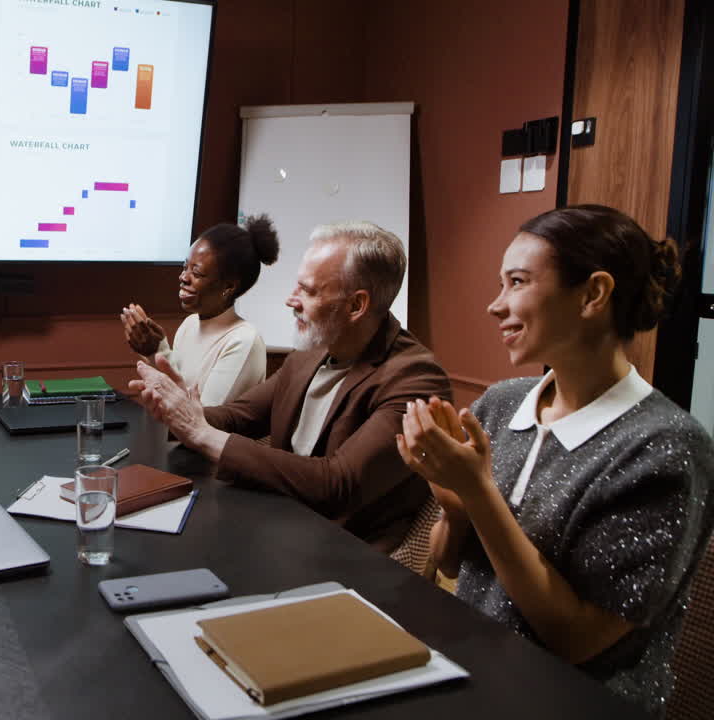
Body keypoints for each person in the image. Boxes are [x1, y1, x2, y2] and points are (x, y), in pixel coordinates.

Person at [397, 205, 713, 716]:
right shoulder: (502, 404)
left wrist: (478, 492)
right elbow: (453, 563)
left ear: (593, 294)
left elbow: (576, 642)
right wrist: (455, 505)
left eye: (517, 282)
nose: (495, 306)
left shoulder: (666, 449)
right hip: (470, 673)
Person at [134, 221, 450, 551]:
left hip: (345, 554)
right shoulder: (312, 351)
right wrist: (178, 412)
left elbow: (337, 484)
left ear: (357, 305)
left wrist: (201, 432)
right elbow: (239, 417)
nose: (291, 300)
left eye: (308, 290)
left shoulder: (415, 379)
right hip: (277, 526)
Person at [120, 215, 278, 406]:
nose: (183, 277)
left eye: (196, 273)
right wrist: (156, 351)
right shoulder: (190, 324)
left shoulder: (244, 341)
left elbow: (204, 419)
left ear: (229, 286)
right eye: (184, 266)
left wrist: (157, 354)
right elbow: (178, 385)